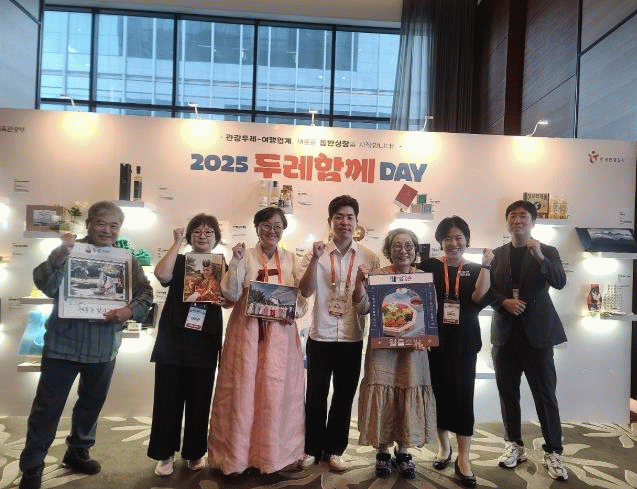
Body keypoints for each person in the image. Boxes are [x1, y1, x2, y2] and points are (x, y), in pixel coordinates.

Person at [18, 201, 153, 489]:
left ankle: (78, 452)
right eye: (101, 223)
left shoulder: (126, 259)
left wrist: (128, 311)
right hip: (62, 345)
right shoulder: (71, 251)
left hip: (103, 347)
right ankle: (32, 466)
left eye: (114, 225)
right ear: (89, 224)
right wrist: (59, 254)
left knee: (90, 405)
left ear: (120, 229)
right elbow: (45, 284)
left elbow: (145, 293)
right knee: (47, 409)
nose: (107, 230)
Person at [208, 206, 306, 474]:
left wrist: (294, 312)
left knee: (276, 393)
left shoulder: (292, 259)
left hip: (281, 336)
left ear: (283, 230)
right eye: (266, 226)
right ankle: (237, 457)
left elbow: (301, 298)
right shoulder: (246, 255)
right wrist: (236, 261)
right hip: (247, 333)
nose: (272, 231)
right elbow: (230, 293)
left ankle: (272, 456)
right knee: (242, 391)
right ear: (257, 228)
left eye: (277, 226)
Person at [298, 195, 380, 471]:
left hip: (351, 336)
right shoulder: (315, 253)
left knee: (344, 395)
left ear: (357, 222)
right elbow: (305, 291)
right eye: (339, 217)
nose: (344, 222)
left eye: (349, 217)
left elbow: (368, 306)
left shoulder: (369, 257)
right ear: (330, 221)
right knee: (316, 395)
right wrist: (314, 260)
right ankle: (312, 448)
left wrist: (362, 284)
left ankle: (335, 450)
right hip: (320, 335)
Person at [490, 200, 568, 481]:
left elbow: (560, 282)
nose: (518, 220)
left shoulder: (548, 251)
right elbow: (489, 290)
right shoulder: (497, 255)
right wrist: (504, 302)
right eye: (513, 216)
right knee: (508, 393)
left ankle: (554, 451)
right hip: (505, 336)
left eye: (523, 216)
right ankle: (514, 444)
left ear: (533, 221)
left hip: (538, 336)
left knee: (545, 395)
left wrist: (540, 257)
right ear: (507, 222)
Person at [353, 228, 437, 479]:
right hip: (383, 350)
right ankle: (382, 450)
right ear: (389, 250)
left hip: (413, 350)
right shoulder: (378, 276)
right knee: (383, 391)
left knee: (409, 389)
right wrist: (359, 282)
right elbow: (362, 307)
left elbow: (430, 312)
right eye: (397, 246)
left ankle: (404, 450)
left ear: (415, 250)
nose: (403, 250)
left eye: (409, 246)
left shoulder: (422, 278)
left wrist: (426, 336)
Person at [148, 214, 224, 476]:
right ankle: (164, 454)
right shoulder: (179, 260)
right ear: (190, 236)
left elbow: (231, 298)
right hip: (173, 338)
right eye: (197, 232)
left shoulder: (220, 263)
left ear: (216, 238)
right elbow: (161, 274)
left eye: (209, 232)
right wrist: (177, 242)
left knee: (200, 400)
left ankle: (194, 452)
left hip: (205, 338)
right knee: (167, 399)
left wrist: (224, 298)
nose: (203, 236)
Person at [419, 216, 492, 488]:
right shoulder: (429, 266)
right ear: (440, 241)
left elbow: (478, 297)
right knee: (437, 396)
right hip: (434, 341)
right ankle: (443, 448)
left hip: (465, 342)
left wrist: (486, 265)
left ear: (467, 240)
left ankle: (464, 459)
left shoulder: (475, 268)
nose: (453, 243)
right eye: (447, 238)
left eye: (458, 237)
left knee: (463, 398)